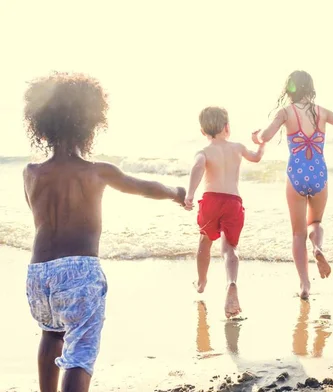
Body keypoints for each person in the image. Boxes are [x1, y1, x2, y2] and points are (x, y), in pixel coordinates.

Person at [22, 72, 185, 392]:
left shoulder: (31, 173)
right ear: (90, 123)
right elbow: (144, 188)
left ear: (42, 124)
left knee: (50, 335)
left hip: (38, 274)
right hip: (79, 271)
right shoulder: (96, 171)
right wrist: (176, 191)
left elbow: (38, 218)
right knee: (80, 355)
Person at [252, 70, 333, 299]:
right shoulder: (322, 112)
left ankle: (305, 285)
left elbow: (265, 136)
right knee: (315, 221)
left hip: (296, 174)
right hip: (319, 175)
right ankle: (318, 249)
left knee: (297, 234)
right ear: (311, 88)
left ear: (290, 89)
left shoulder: (285, 112)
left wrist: (257, 138)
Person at [185, 106, 265, 318]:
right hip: (233, 201)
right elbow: (256, 157)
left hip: (211, 200)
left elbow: (198, 167)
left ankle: (201, 282)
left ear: (203, 132)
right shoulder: (238, 147)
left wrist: (190, 194)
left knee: (205, 241)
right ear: (227, 128)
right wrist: (261, 142)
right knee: (230, 248)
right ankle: (231, 283)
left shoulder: (203, 152)